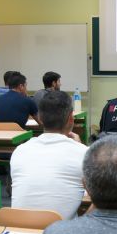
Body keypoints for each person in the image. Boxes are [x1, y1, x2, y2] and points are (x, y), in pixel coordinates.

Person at [10, 91, 86, 220]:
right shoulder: (83, 153)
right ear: (71, 118)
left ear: (40, 118)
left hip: (19, 232)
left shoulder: (19, 151)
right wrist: (81, 147)